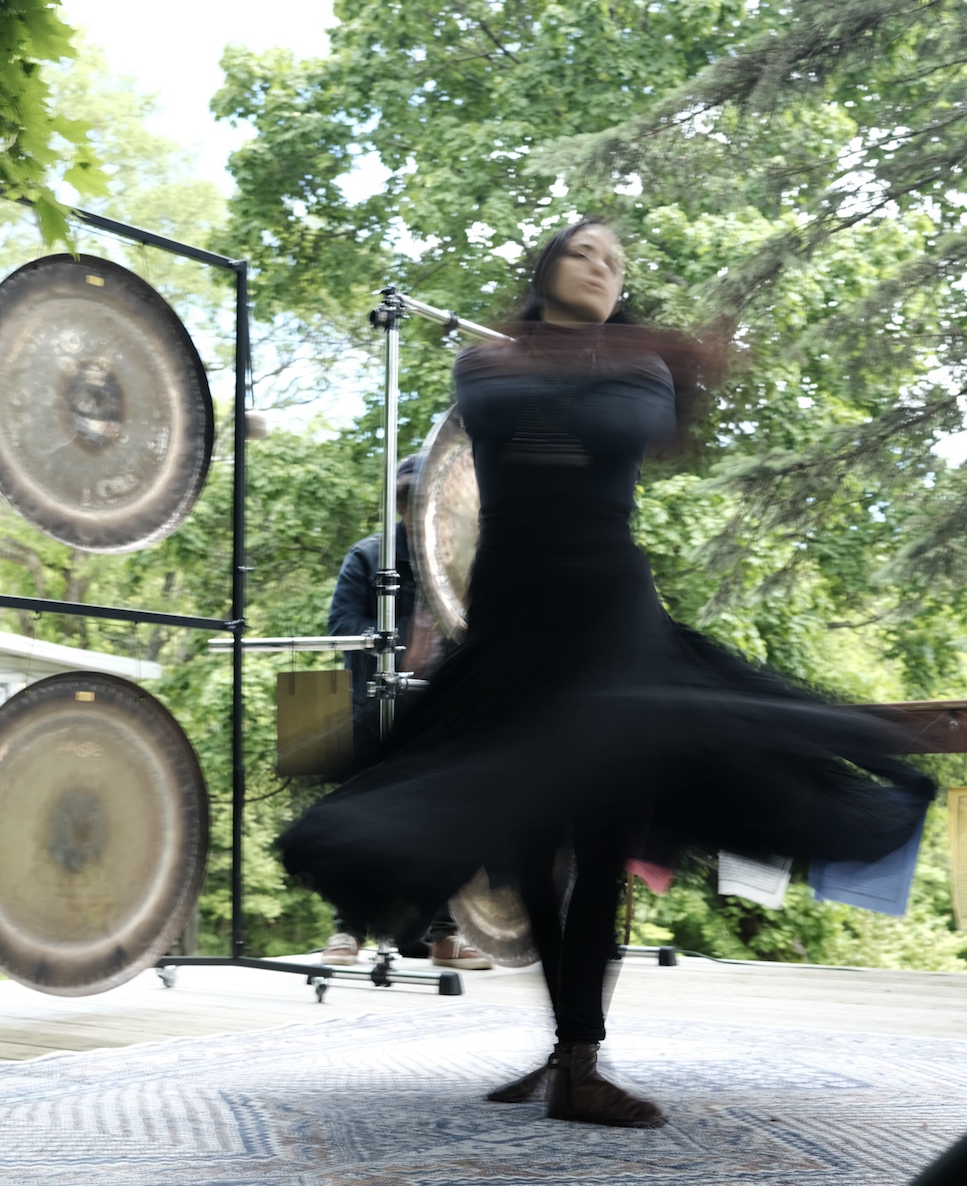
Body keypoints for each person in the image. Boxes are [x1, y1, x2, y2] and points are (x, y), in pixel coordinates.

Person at [279, 219, 934, 1128]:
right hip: (513, 622)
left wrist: (634, 358)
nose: (599, 266)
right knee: (531, 847)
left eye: (614, 263)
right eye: (583, 252)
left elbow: (619, 432)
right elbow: (530, 434)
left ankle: (580, 1058)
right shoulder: (487, 368)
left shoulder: (631, 371)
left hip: (611, 619)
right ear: (545, 266)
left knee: (602, 841)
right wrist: (610, 358)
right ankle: (565, 1052)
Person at [321, 454, 492, 971]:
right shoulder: (370, 556)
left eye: (418, 496)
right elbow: (341, 626)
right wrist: (398, 649)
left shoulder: (466, 559)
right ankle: (347, 931)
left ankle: (445, 935)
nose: (409, 505)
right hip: (375, 708)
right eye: (404, 497)